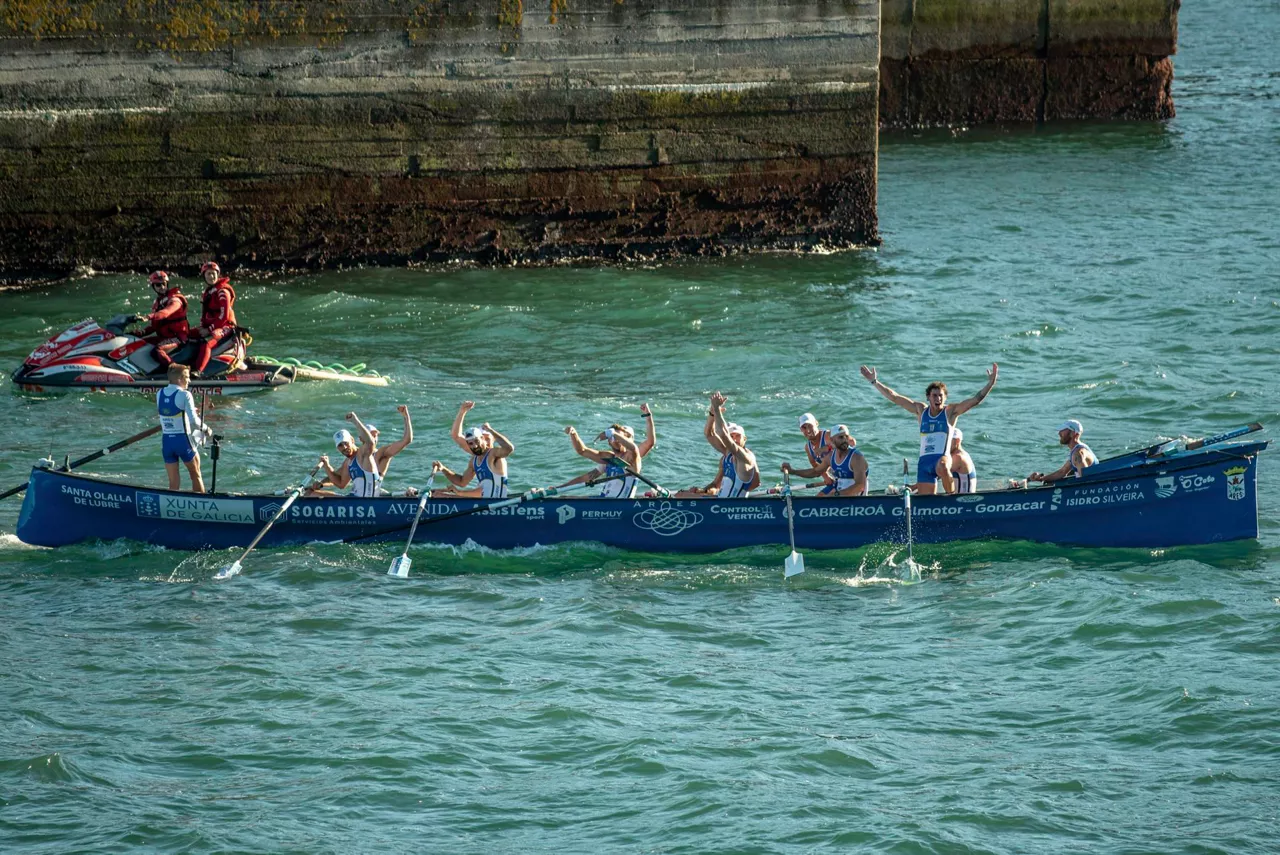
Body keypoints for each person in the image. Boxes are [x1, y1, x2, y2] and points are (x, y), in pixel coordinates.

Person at [860, 363, 998, 495]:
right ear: (928, 397)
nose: (938, 399)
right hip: (924, 463)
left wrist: (990, 384)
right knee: (927, 501)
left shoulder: (950, 412)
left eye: (941, 396)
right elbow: (894, 397)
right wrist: (874, 382)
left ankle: (951, 496)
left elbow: (975, 400)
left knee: (943, 466)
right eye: (934, 395)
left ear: (945, 398)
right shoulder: (920, 410)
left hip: (942, 459)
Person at [675, 392, 759, 498]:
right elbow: (709, 434)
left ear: (745, 439)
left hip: (730, 505)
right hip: (720, 500)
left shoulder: (746, 457)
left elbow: (723, 434)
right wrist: (712, 414)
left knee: (681, 496)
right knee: (680, 494)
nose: (734, 439)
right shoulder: (727, 453)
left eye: (737, 436)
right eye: (731, 436)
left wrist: (717, 408)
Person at [432, 401, 514, 498]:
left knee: (445, 496)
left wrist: (490, 430)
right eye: (471, 443)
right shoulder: (474, 460)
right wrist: (443, 469)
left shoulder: (494, 454)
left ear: (483, 439)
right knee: (439, 494)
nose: (474, 446)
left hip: (495, 503)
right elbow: (462, 482)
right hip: (482, 502)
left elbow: (509, 448)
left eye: (487, 438)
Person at [156, 363, 212, 492]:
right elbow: (195, 421)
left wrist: (188, 410)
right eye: (187, 377)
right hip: (183, 441)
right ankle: (200, 501)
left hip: (167, 442)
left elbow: (170, 411)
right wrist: (206, 429)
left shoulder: (159, 393)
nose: (189, 380)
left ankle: (172, 501)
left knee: (173, 481)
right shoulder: (185, 394)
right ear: (180, 379)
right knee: (196, 475)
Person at [782, 423, 868, 497]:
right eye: (841, 437)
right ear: (832, 440)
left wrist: (837, 494)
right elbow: (815, 472)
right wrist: (793, 471)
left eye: (846, 437)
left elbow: (860, 486)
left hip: (855, 495)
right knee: (818, 499)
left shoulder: (856, 458)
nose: (845, 440)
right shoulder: (830, 457)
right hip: (840, 488)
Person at [555, 425, 642, 498]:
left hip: (620, 505)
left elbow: (634, 448)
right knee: (564, 499)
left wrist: (612, 433)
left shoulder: (631, 457)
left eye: (618, 437)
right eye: (613, 438)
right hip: (604, 501)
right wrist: (573, 433)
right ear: (609, 442)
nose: (616, 440)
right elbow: (582, 451)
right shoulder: (609, 458)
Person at [135, 271, 189, 371]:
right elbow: (154, 326)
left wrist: (149, 316)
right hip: (164, 337)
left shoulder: (175, 299)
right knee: (139, 343)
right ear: (153, 286)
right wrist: (139, 333)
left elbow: (166, 313)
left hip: (178, 338)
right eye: (158, 285)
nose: (162, 287)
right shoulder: (158, 303)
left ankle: (177, 371)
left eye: (164, 284)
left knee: (158, 349)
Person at [191, 261, 238, 375]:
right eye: (208, 274)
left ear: (218, 274)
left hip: (226, 327)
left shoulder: (223, 292)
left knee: (208, 343)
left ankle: (198, 371)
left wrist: (208, 330)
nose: (211, 276)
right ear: (204, 276)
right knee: (188, 334)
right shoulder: (209, 292)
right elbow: (206, 315)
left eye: (213, 274)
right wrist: (202, 327)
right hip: (213, 326)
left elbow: (223, 317)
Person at [1028, 420, 1097, 484]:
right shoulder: (1077, 450)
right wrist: (1041, 478)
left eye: (1063, 430)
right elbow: (1062, 472)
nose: (1059, 433)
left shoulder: (1078, 453)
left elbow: (1085, 480)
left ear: (1073, 433)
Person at [949, 427, 977, 493]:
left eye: (948, 440)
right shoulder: (965, 453)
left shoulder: (958, 457)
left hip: (962, 498)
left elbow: (938, 473)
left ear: (957, 441)